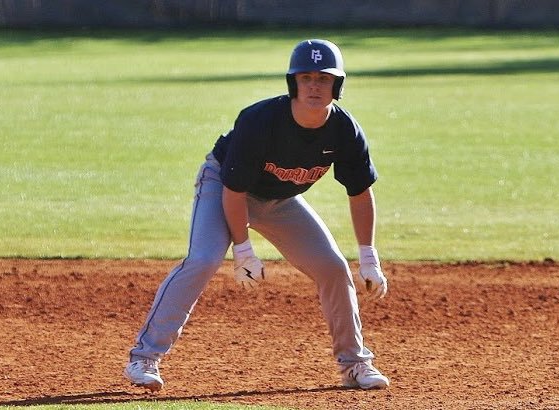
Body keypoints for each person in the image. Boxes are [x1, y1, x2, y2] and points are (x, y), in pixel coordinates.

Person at [123, 39, 390, 392]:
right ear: (293, 82)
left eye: (323, 79)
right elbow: (234, 191)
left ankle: (355, 365)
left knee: (333, 268)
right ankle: (145, 357)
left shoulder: (344, 130)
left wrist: (368, 256)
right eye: (306, 77)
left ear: (336, 85)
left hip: (280, 201)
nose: (313, 85)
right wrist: (243, 249)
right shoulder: (260, 120)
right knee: (203, 259)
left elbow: (360, 192)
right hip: (225, 187)